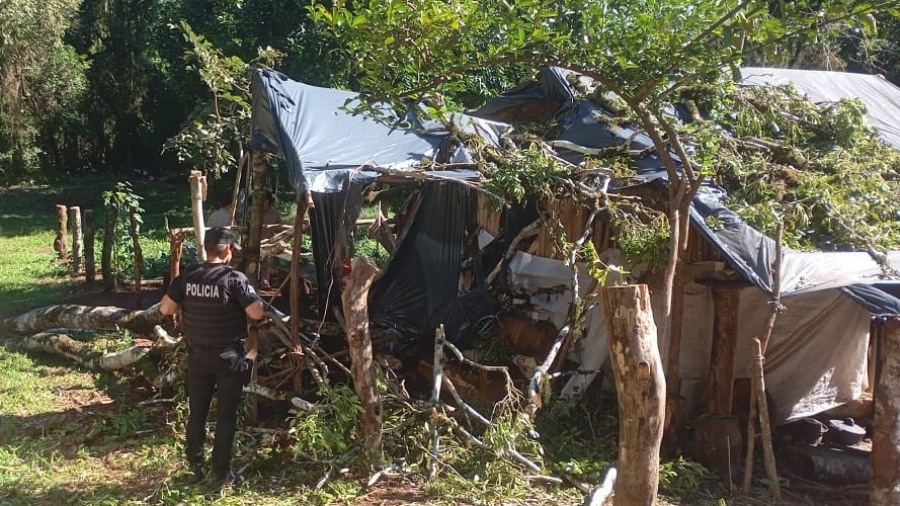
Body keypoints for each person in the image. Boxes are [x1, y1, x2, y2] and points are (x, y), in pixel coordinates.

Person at [159, 226, 265, 489]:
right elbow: (256, 313)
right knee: (226, 417)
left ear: (206, 248)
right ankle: (220, 474)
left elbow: (166, 308)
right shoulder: (233, 278)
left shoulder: (188, 276)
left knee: (197, 413)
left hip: (198, 356)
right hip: (228, 358)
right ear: (228, 249)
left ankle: (195, 467)